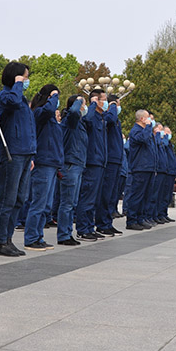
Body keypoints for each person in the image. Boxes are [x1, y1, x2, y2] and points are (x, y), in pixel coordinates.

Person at [0, 62, 36, 257]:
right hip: (12, 153)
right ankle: (1, 240)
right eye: (24, 77)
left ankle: (8, 238)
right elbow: (12, 102)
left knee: (20, 198)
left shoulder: (21, 97)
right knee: (7, 198)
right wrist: (17, 84)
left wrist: (32, 154)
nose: (26, 81)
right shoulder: (7, 95)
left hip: (25, 153)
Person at [24, 84, 61, 250]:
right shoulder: (39, 113)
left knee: (46, 205)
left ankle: (38, 236)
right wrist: (53, 96)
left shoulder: (51, 119)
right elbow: (47, 110)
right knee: (38, 203)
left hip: (52, 163)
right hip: (43, 162)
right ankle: (31, 237)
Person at [75, 90, 108, 241]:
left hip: (100, 161)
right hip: (91, 161)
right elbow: (86, 120)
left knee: (94, 199)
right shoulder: (91, 115)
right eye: (103, 100)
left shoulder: (101, 117)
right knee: (87, 196)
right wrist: (93, 104)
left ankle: (89, 226)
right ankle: (82, 229)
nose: (105, 103)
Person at [56, 94, 86, 245]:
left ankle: (68, 232)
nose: (84, 107)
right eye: (82, 104)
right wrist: (79, 100)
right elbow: (74, 111)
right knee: (67, 203)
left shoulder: (79, 123)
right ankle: (63, 235)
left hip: (78, 164)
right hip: (70, 164)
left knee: (72, 203)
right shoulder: (70, 120)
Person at [125, 109, 157, 230]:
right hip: (140, 167)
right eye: (148, 117)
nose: (150, 120)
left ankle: (140, 218)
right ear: (142, 119)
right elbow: (143, 139)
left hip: (148, 167)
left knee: (145, 196)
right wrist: (148, 127)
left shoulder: (145, 131)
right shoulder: (136, 131)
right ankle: (131, 220)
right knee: (137, 195)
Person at [97, 93, 124, 236]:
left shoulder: (115, 120)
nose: (118, 108)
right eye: (117, 105)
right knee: (105, 194)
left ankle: (108, 222)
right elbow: (111, 118)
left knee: (112, 195)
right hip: (110, 160)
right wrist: (113, 105)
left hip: (117, 160)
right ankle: (102, 223)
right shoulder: (107, 117)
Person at [156, 125, 176, 223]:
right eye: (167, 132)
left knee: (168, 196)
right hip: (166, 171)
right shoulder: (162, 142)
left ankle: (164, 213)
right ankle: (159, 214)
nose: (169, 134)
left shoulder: (169, 144)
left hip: (171, 172)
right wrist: (164, 137)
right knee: (162, 195)